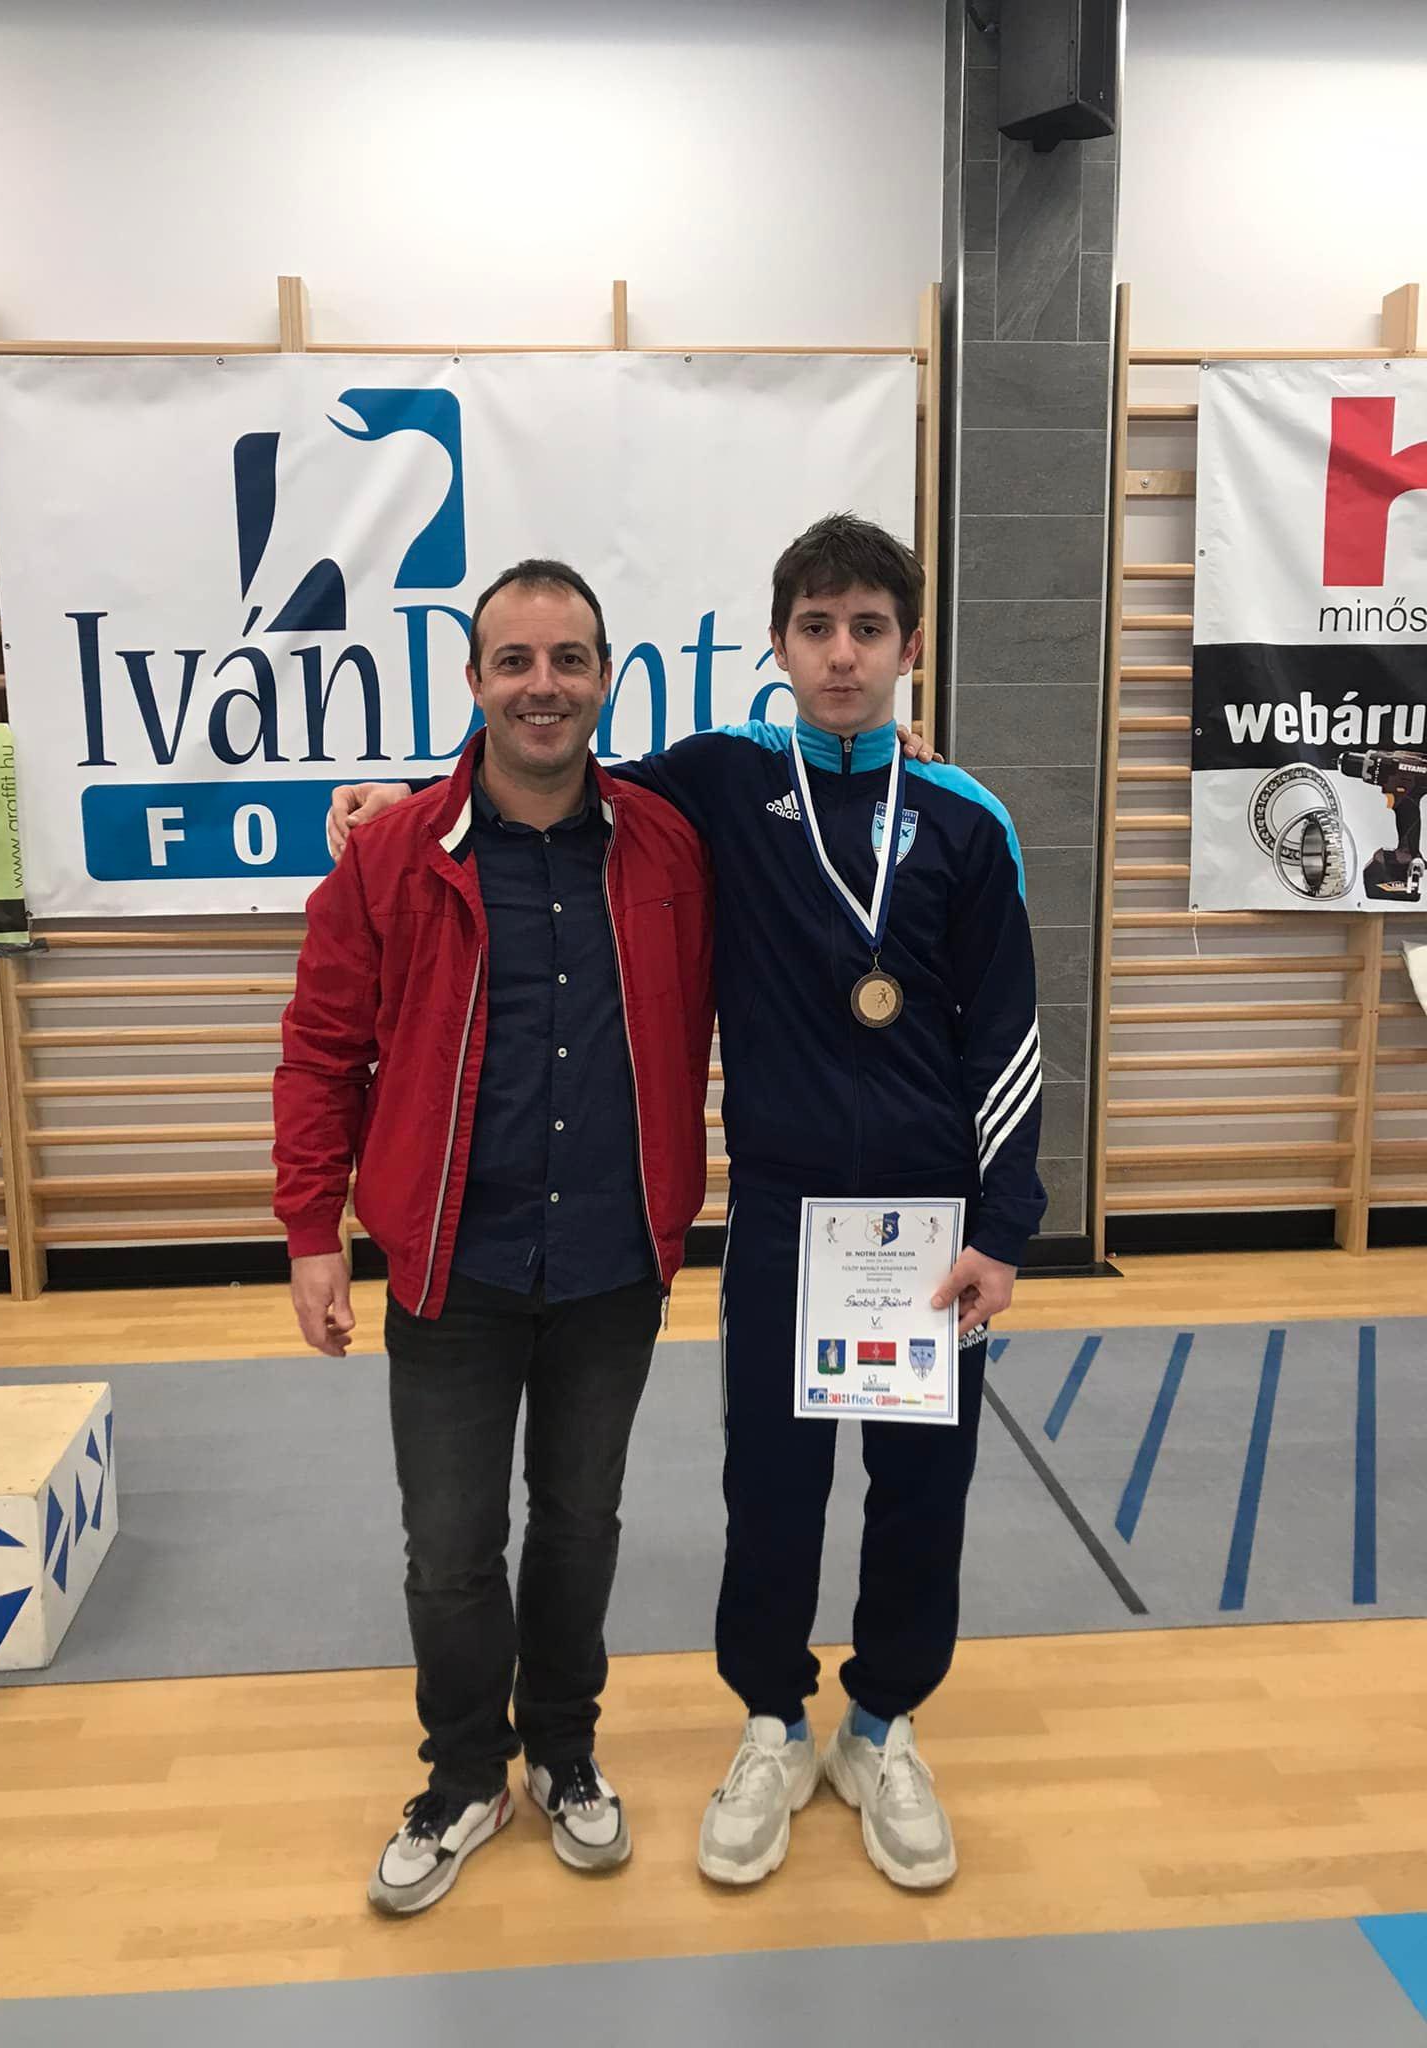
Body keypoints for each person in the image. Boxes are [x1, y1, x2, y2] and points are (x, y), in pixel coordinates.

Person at [329, 514, 1044, 1895]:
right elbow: (540, 776)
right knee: (771, 1486)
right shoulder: (720, 781)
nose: (843, 657)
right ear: (778, 645)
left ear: (909, 645)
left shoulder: (968, 820)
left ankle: (883, 1726)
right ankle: (772, 1724)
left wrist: (1001, 1229)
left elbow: (1008, 1034)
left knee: (920, 1492)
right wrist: (391, 797)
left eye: (870, 630)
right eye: (816, 629)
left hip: (926, 1231)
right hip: (779, 1217)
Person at [274, 560, 715, 1916]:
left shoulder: (669, 848)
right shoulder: (392, 853)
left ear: (606, 680)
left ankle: (564, 1753)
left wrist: (894, 751)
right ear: (473, 681)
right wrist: (311, 1231)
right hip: (450, 1263)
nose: (543, 686)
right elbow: (321, 1050)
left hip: (611, 1265)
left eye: (569, 660)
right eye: (514, 661)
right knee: (453, 1546)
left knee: (579, 1525)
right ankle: (466, 1774)